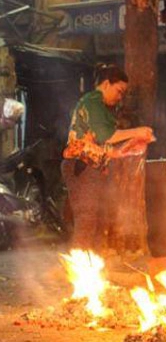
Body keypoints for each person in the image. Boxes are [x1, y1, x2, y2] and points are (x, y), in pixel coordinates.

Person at [61, 63, 154, 252]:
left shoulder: (102, 108)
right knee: (87, 218)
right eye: (119, 91)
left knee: (97, 219)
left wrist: (128, 147)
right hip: (80, 166)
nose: (120, 97)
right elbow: (107, 136)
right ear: (105, 84)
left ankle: (93, 267)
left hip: (93, 168)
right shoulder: (92, 101)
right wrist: (137, 131)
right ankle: (79, 269)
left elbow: (106, 147)